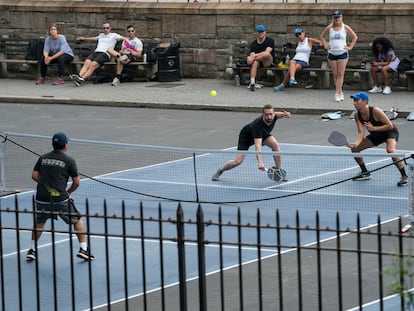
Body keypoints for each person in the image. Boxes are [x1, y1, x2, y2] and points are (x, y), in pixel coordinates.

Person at [26, 132, 95, 261]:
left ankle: (32, 250)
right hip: (60, 198)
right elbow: (77, 182)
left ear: (53, 144)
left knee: (39, 223)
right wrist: (68, 192)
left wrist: (46, 187)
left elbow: (34, 175)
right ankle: (84, 249)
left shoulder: (43, 158)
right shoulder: (69, 161)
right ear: (65, 145)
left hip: (42, 198)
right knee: (77, 219)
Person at [212, 104, 291, 181]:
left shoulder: (275, 116)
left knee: (275, 146)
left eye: (271, 114)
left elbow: (282, 114)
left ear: (274, 113)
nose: (269, 117)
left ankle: (278, 171)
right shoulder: (258, 125)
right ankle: (220, 171)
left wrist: (287, 114)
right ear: (263, 114)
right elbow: (257, 146)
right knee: (238, 161)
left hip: (263, 134)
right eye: (267, 115)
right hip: (246, 137)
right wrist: (260, 162)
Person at [348, 91, 408, 187]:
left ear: (364, 102)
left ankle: (404, 176)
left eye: (357, 100)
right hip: (376, 135)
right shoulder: (357, 115)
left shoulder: (376, 111)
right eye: (354, 101)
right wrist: (356, 143)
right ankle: (365, 172)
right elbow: (361, 132)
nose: (354, 103)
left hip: (389, 132)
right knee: (355, 149)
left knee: (391, 150)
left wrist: (374, 128)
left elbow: (389, 125)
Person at [69, 22, 125, 86]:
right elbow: (94, 38)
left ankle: (82, 79)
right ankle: (79, 76)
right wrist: (84, 38)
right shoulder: (101, 35)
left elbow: (125, 38)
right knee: (87, 62)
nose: (106, 29)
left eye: (107, 28)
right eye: (104, 28)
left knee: (92, 65)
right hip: (96, 52)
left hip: (105, 54)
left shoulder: (114, 35)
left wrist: (135, 40)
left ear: (110, 28)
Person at [320, 10, 358, 102]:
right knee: (335, 74)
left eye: (338, 17)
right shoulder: (329, 28)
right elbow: (322, 37)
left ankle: (337, 93)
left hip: (342, 53)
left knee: (341, 74)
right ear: (333, 18)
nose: (337, 19)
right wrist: (325, 45)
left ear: (341, 18)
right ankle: (339, 91)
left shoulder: (345, 27)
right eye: (335, 17)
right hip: (332, 52)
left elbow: (354, 37)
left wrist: (350, 47)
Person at [246, 24, 276, 92]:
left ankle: (254, 60)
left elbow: (267, 52)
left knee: (267, 54)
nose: (260, 33)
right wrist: (251, 57)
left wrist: (252, 57)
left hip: (268, 61)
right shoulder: (253, 43)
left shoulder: (270, 41)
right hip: (258, 61)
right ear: (257, 33)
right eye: (259, 32)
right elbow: (252, 53)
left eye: (262, 32)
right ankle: (252, 82)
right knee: (255, 62)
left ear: (265, 32)